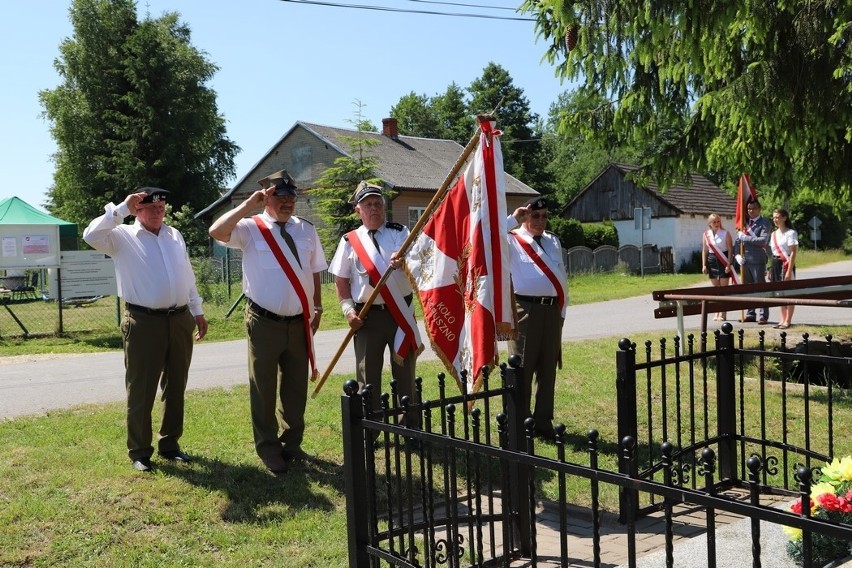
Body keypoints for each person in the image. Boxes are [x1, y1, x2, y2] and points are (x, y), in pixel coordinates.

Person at [208, 170, 327, 474]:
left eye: (291, 196)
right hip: (264, 322)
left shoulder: (306, 229)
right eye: (279, 196)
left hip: (299, 321)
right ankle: (268, 447)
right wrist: (248, 205)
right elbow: (216, 232)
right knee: (263, 386)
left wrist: (317, 306)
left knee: (295, 386)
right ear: (266, 198)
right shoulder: (250, 228)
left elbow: (314, 269)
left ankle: (292, 444)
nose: (287, 202)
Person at [83, 187, 208, 472]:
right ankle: (139, 450)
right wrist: (121, 209)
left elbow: (187, 275)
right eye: (150, 207)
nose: (157, 211)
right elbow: (90, 235)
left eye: (161, 206)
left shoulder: (174, 235)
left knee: (176, 385)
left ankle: (170, 444)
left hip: (179, 319)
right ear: (137, 210)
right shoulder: (121, 236)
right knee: (142, 388)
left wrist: (197, 310)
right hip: (143, 321)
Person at [328, 182, 424, 437]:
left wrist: (403, 261)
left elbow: (416, 262)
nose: (374, 208)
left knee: (405, 374)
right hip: (367, 317)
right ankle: (370, 430)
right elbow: (341, 280)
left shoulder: (399, 232)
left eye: (378, 203)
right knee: (367, 377)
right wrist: (349, 311)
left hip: (399, 314)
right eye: (368, 204)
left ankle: (411, 428)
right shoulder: (350, 240)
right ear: (358, 210)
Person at [507, 196, 568, 440]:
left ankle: (543, 422)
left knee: (547, 367)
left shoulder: (553, 241)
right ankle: (519, 422)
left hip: (551, 310)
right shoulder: (512, 239)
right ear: (526, 216)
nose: (541, 221)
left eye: (544, 216)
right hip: (526, 309)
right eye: (535, 216)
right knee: (523, 366)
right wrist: (514, 218)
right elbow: (485, 236)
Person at [735, 199, 772, 324]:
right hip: (745, 260)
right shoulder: (744, 223)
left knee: (760, 288)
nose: (751, 211)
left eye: (754, 208)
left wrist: (746, 237)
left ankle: (763, 315)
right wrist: (737, 255)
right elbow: (737, 242)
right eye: (749, 208)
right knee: (748, 288)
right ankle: (750, 313)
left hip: (758, 259)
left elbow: (762, 241)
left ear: (759, 209)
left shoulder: (764, 223)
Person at [701, 213, 735, 321]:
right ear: (709, 223)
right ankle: (716, 311)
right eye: (714, 222)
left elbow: (730, 249)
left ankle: (723, 313)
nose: (716, 224)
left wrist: (729, 263)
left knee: (723, 289)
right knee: (715, 289)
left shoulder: (725, 233)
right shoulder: (706, 234)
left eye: (718, 221)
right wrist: (704, 264)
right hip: (712, 261)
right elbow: (705, 250)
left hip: (723, 260)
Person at [770, 208, 798, 329]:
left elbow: (793, 253)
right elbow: (773, 252)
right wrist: (770, 270)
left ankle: (788, 320)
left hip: (786, 263)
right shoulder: (773, 234)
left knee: (789, 293)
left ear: (784, 218)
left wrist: (788, 270)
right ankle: (782, 319)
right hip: (775, 263)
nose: (775, 220)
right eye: (774, 217)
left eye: (777, 217)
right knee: (779, 293)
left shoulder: (791, 233)